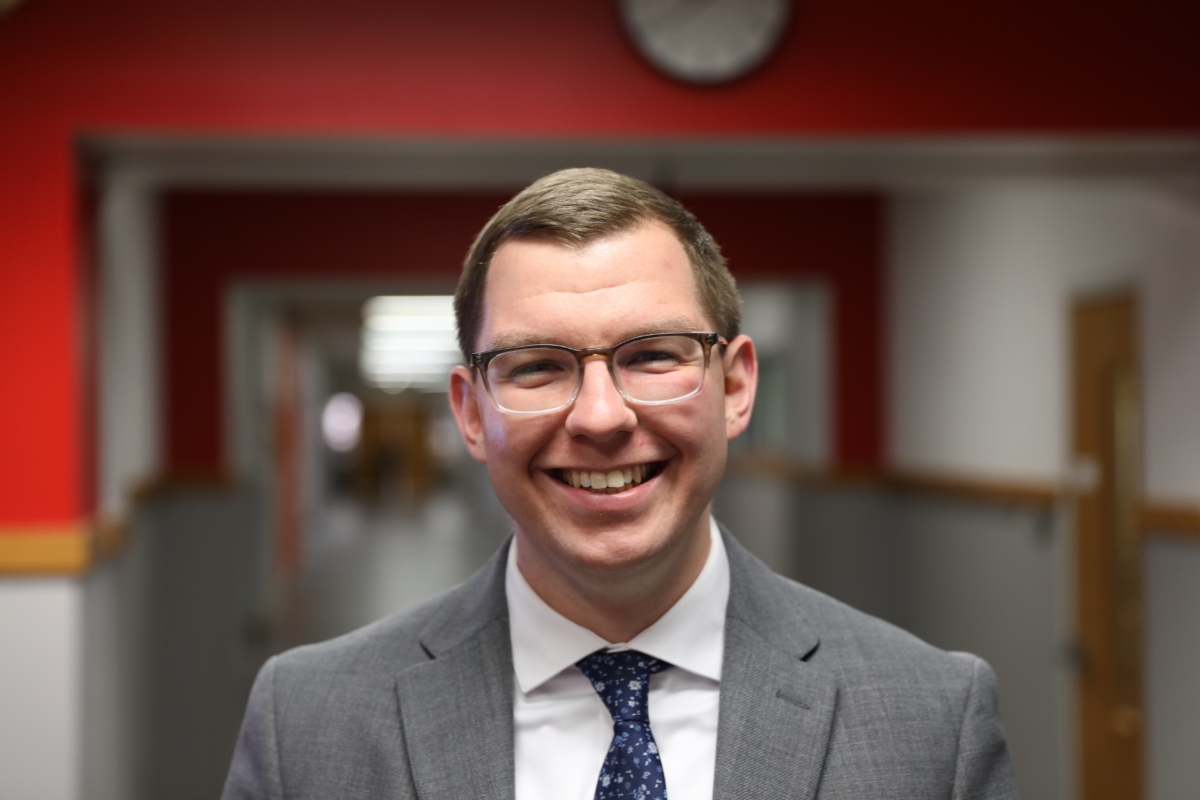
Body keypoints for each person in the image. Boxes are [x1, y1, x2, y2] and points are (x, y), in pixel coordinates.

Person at [222, 168, 1018, 800]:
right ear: (471, 413)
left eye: (652, 356)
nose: (600, 417)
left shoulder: (930, 723)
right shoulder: (308, 724)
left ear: (736, 386)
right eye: (537, 367)